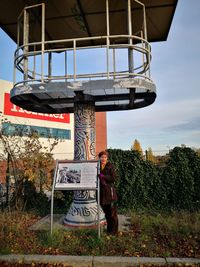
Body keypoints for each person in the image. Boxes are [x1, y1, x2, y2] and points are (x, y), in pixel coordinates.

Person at [98, 150, 118, 235]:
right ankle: (109, 230)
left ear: (107, 158)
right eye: (102, 157)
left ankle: (114, 231)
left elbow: (113, 178)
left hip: (109, 193)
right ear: (99, 158)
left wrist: (104, 176)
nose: (103, 159)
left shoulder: (110, 166)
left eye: (105, 157)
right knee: (106, 213)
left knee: (112, 213)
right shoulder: (98, 166)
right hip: (102, 193)